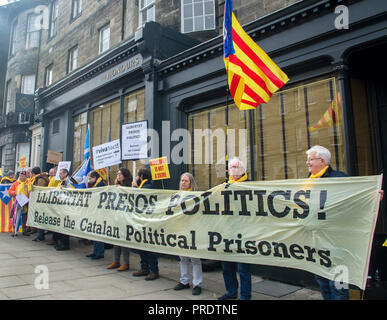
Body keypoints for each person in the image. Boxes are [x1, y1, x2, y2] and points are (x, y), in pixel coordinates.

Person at [218, 157, 252, 300]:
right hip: (227, 232)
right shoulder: (223, 186)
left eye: (237, 167)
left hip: (244, 233)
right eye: (232, 167)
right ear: (228, 171)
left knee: (243, 268)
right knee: (227, 267)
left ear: (243, 170)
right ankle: (231, 292)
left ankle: (245, 296)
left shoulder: (251, 186)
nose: (235, 170)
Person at [173, 172, 203, 295]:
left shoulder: (196, 196)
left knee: (195, 259)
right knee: (183, 258)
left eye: (185, 181)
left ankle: (197, 284)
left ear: (191, 182)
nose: (183, 183)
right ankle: (184, 281)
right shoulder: (177, 196)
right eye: (182, 180)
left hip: (193, 230)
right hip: (181, 229)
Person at [132, 167, 160, 281]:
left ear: (142, 177)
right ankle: (144, 268)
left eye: (138, 176)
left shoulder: (148, 186)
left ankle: (154, 270)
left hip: (148, 222)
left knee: (149, 247)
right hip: (141, 220)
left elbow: (141, 196)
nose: (137, 178)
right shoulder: (142, 186)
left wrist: (134, 188)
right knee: (141, 246)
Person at [106, 168, 133, 271]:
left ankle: (126, 263)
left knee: (123, 241)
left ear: (125, 175)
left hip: (125, 216)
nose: (118, 176)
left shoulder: (129, 186)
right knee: (116, 239)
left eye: (120, 174)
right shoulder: (116, 186)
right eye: (117, 174)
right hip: (116, 215)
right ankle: (116, 261)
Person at [85, 170, 106, 260]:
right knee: (94, 232)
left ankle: (99, 253)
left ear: (95, 178)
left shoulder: (101, 184)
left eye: (90, 178)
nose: (89, 180)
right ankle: (95, 251)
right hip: (95, 211)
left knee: (98, 233)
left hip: (99, 212)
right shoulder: (95, 184)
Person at [30, 167, 50, 242]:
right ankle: (40, 235)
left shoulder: (40, 180)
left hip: (41, 202)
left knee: (40, 218)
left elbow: (40, 190)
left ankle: (40, 236)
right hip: (39, 202)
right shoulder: (38, 178)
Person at [55, 168, 73, 250]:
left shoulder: (68, 181)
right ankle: (61, 243)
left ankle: (65, 244)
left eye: (61, 173)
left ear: (65, 174)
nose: (59, 175)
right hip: (62, 206)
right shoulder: (62, 181)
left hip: (67, 206)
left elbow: (72, 190)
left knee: (65, 226)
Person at [8, 171, 29, 237]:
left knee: (25, 217)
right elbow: (10, 191)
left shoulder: (28, 183)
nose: (21, 177)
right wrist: (15, 193)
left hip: (26, 202)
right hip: (17, 202)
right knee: (16, 216)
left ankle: (24, 230)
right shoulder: (15, 183)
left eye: (23, 176)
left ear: (25, 177)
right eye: (20, 176)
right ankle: (14, 230)